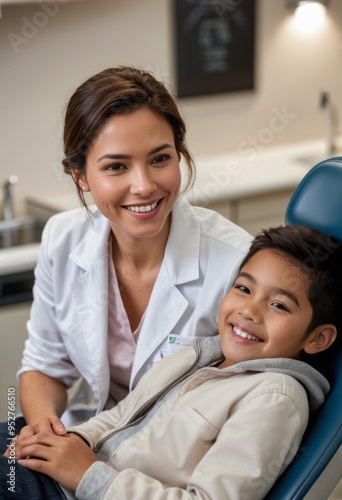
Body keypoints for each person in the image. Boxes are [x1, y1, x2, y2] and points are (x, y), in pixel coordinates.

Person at [0, 66, 252, 447]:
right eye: (116, 166)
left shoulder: (236, 264)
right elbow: (43, 367)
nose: (144, 185)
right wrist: (46, 430)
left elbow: (250, 406)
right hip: (85, 439)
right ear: (80, 176)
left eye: (160, 159)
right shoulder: (62, 239)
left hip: (167, 465)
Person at [2, 224, 342, 499]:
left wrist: (87, 474)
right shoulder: (201, 355)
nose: (248, 311)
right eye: (243, 289)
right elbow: (120, 417)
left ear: (317, 338)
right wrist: (68, 442)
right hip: (77, 470)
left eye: (279, 305)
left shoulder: (274, 397)